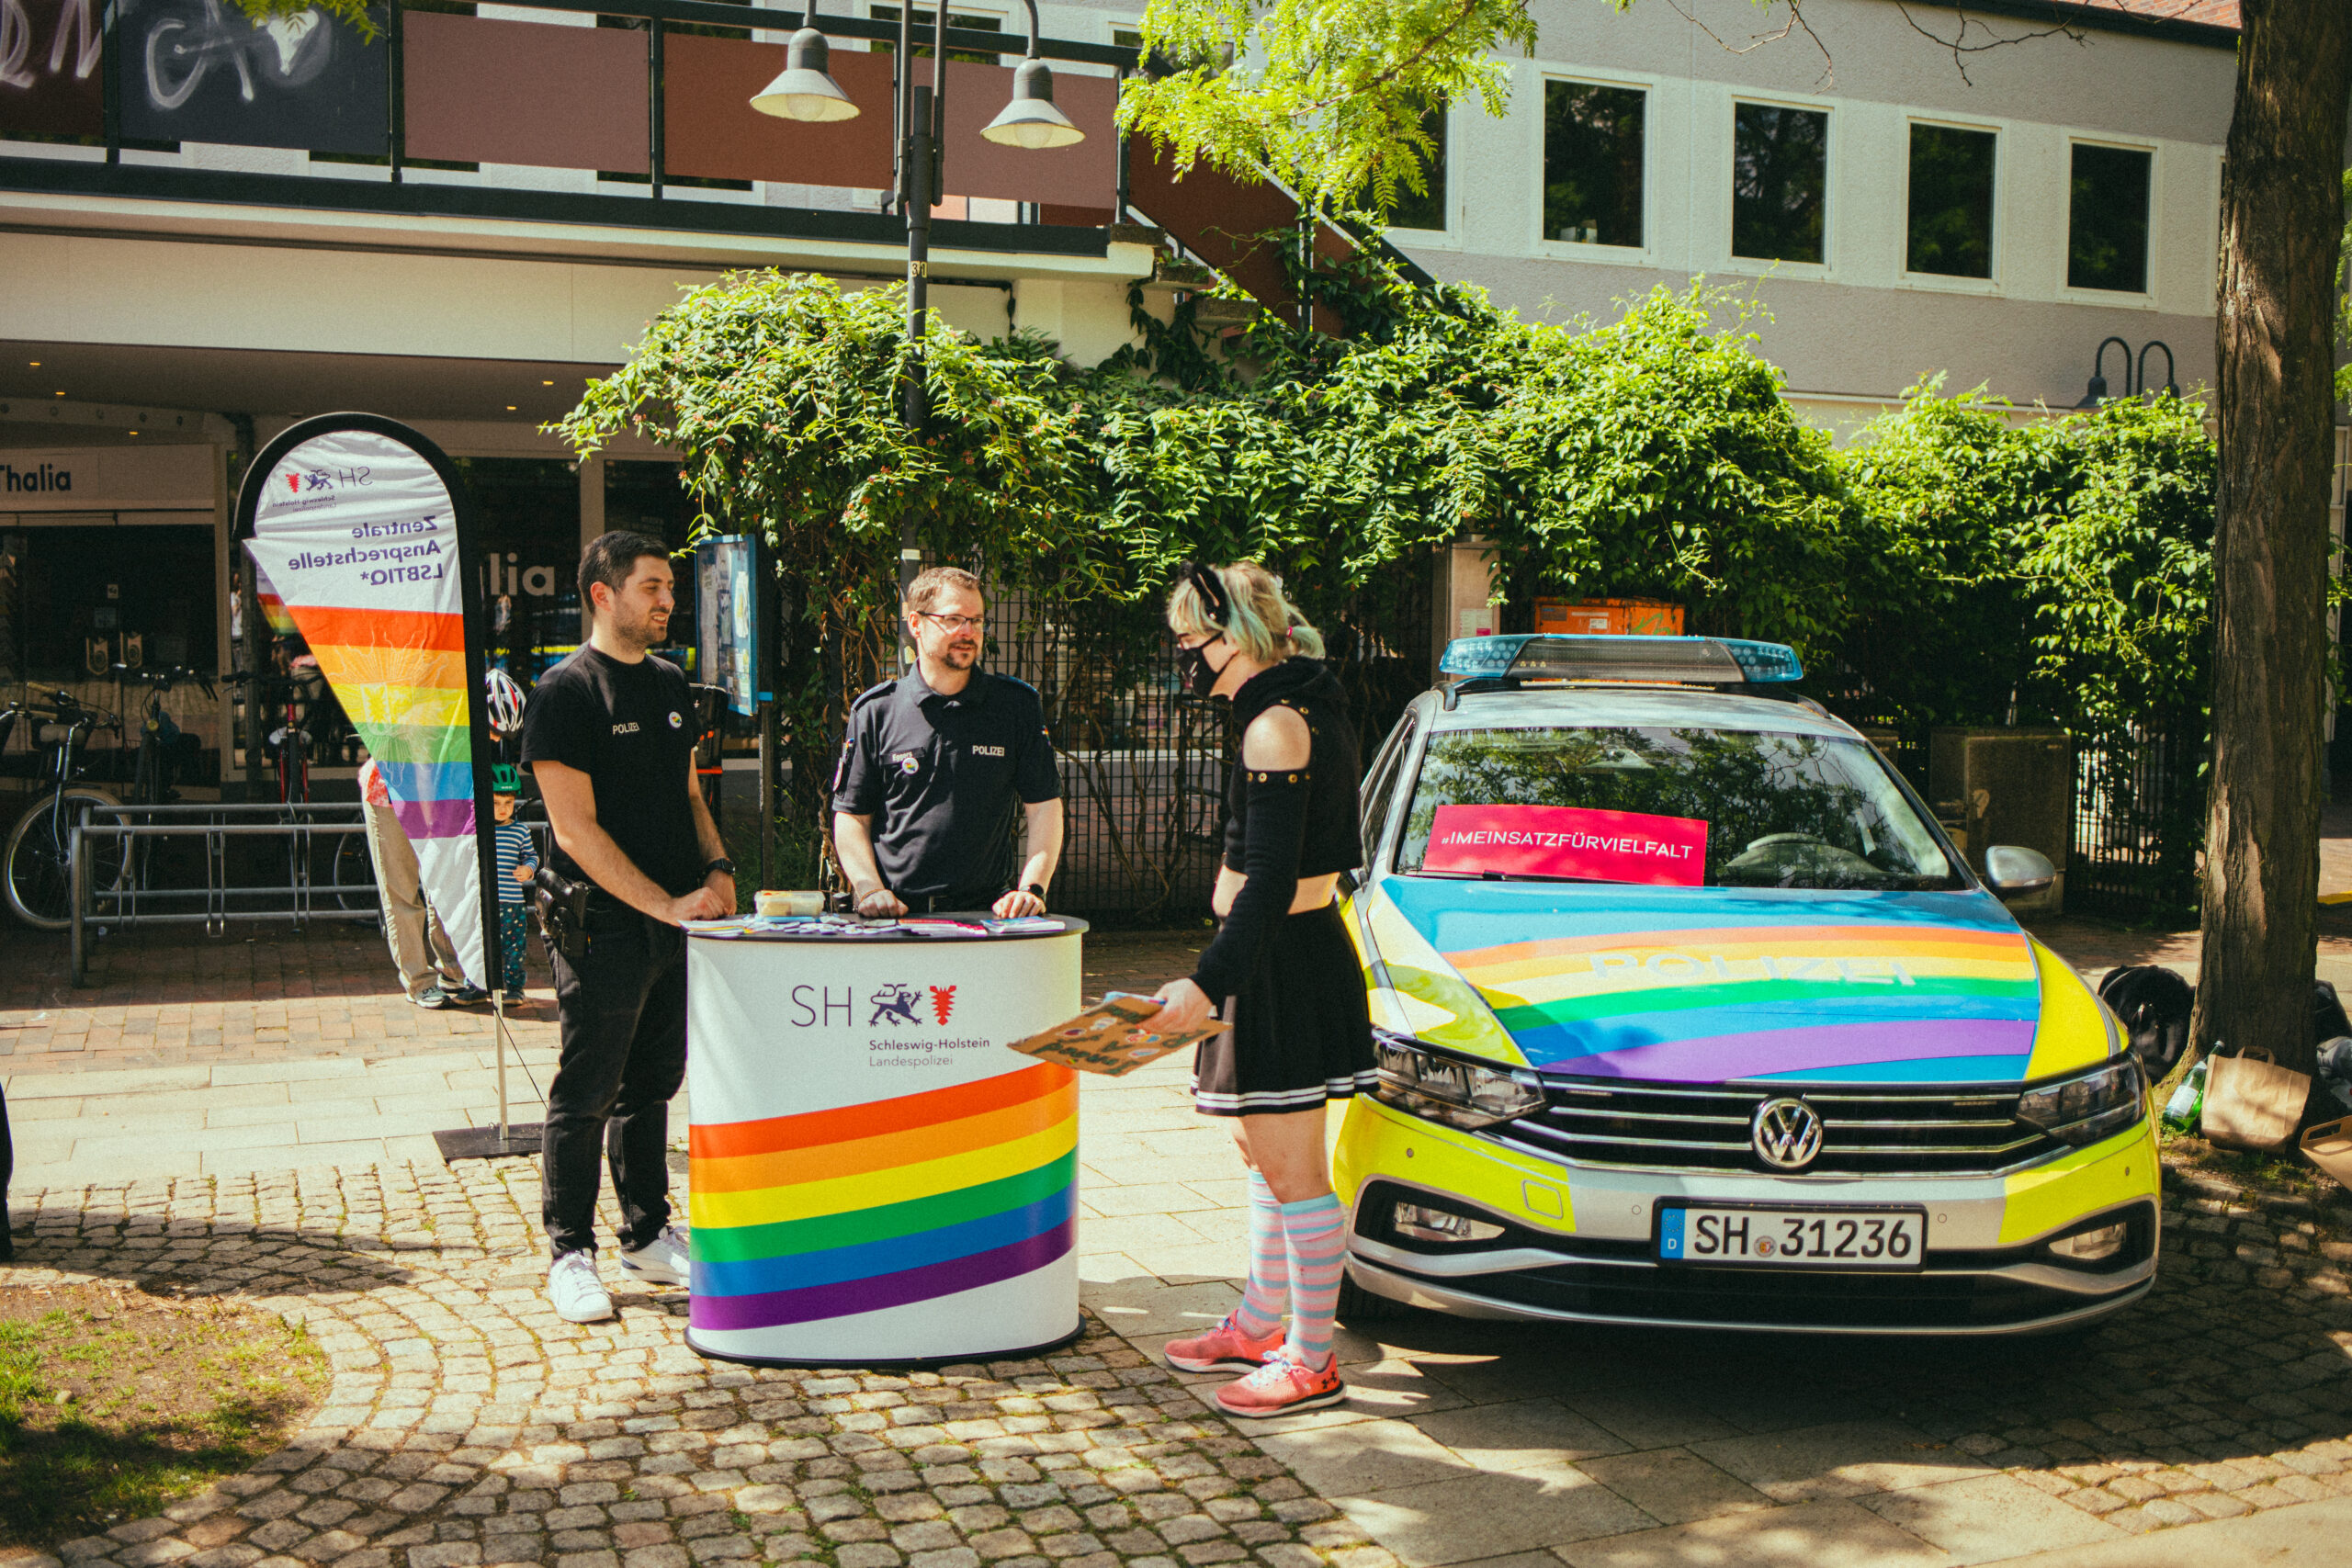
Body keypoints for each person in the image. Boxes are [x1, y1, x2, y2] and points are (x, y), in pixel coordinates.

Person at [1141, 561, 1372, 1418]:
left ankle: (1311, 1360)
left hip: (1276, 963)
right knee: (1260, 1151)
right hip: (1280, 956)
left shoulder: (1276, 724)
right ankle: (1257, 1323)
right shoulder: (1302, 703)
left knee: (1295, 1170)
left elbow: (1271, 883)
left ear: (1231, 635)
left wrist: (1207, 983)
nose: (1183, 658)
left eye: (1189, 641)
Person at [521, 530, 736, 1325]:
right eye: (652, 587)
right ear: (602, 594)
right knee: (588, 1089)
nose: (667, 601)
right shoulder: (564, 693)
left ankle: (645, 1233)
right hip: (603, 928)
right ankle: (568, 1252)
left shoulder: (671, 681)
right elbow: (574, 831)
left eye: (669, 588)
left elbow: (688, 793)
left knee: (652, 1084)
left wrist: (717, 866)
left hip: (673, 924)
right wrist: (664, 903)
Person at [831, 566, 1065, 917]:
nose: (968, 632)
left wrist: (1032, 888)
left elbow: (1045, 804)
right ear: (916, 624)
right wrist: (870, 890)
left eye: (976, 620)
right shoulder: (877, 711)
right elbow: (852, 816)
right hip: (896, 915)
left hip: (988, 917)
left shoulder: (1015, 706)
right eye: (954, 619)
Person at [356, 752, 484, 1010]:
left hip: (437, 788)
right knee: (400, 889)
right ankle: (418, 981)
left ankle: (453, 970)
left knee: (443, 882)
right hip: (390, 789)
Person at [491, 764, 537, 1004]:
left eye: (508, 803)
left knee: (514, 947)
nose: (503, 808)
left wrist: (528, 869)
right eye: (496, 803)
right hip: (484, 900)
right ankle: (477, 985)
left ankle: (515, 988)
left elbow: (531, 856)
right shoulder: (478, 830)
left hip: (512, 902)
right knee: (480, 945)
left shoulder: (520, 830)